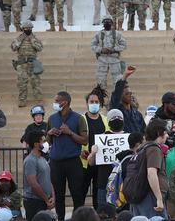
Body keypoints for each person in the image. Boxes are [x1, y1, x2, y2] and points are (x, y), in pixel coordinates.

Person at [47, 91, 87, 220]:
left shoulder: (78, 118)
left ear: (64, 102)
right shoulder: (52, 118)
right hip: (56, 162)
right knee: (58, 195)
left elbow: (85, 140)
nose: (55, 103)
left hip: (73, 161)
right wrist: (50, 133)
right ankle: (60, 218)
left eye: (57, 101)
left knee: (77, 194)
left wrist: (70, 132)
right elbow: (49, 141)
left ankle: (78, 218)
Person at [129, 119, 169, 218]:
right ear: (160, 133)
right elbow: (151, 173)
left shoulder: (143, 148)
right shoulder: (154, 149)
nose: (167, 135)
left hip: (140, 196)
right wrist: (159, 199)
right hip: (150, 198)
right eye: (165, 132)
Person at [80, 88, 108, 210]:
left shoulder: (105, 120)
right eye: (91, 102)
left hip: (100, 163)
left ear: (100, 104)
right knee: (81, 191)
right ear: (87, 103)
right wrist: (79, 152)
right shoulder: (80, 119)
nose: (94, 104)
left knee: (98, 192)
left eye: (96, 102)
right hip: (85, 162)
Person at [11, 21, 43, 107]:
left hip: (32, 64)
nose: (28, 30)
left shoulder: (35, 38)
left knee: (36, 83)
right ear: (23, 29)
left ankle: (39, 100)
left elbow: (40, 48)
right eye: (26, 28)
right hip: (22, 64)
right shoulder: (19, 38)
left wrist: (32, 41)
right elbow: (13, 48)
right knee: (22, 83)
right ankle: (22, 100)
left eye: (29, 28)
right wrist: (20, 41)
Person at [92, 15, 127, 90]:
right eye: (105, 22)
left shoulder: (117, 34)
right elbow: (93, 46)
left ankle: (116, 96)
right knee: (101, 80)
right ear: (103, 23)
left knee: (117, 79)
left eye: (108, 21)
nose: (107, 23)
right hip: (102, 59)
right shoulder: (98, 34)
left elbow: (124, 45)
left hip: (114, 60)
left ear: (111, 23)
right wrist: (101, 50)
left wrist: (114, 49)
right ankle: (101, 97)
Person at [109, 66, 145, 134]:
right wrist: (125, 76)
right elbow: (116, 95)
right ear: (121, 96)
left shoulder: (137, 114)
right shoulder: (117, 112)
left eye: (130, 93)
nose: (130, 95)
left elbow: (144, 131)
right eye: (127, 94)